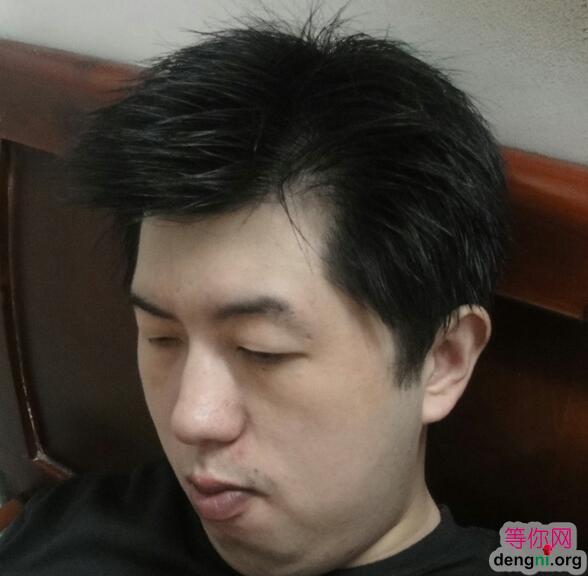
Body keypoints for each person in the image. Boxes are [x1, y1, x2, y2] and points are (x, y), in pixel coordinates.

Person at [0, 9, 509, 576]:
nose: (191, 419)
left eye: (261, 350)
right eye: (161, 337)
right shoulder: (71, 526)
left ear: (443, 360)